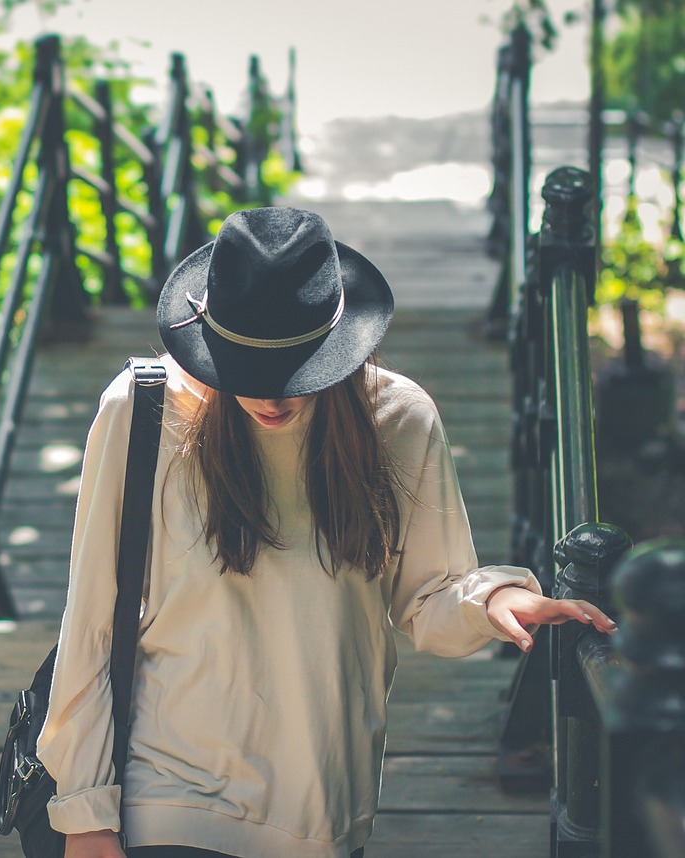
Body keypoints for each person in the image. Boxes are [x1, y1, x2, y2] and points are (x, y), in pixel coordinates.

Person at [35, 208, 618, 858]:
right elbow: (89, 616)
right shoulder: (141, 411)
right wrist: (83, 811)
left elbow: (427, 600)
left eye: (295, 367)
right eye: (248, 368)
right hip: (168, 791)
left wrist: (494, 600)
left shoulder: (398, 419)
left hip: (322, 805)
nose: (272, 396)